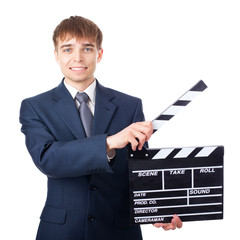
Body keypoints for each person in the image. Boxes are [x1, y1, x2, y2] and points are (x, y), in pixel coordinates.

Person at [20, 16, 182, 240]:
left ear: (99, 53)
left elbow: (138, 169)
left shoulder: (129, 105)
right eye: (68, 49)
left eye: (87, 48)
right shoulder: (35, 107)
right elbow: (48, 159)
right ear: (56, 55)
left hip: (118, 230)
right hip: (61, 231)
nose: (78, 57)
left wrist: (155, 209)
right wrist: (110, 142)